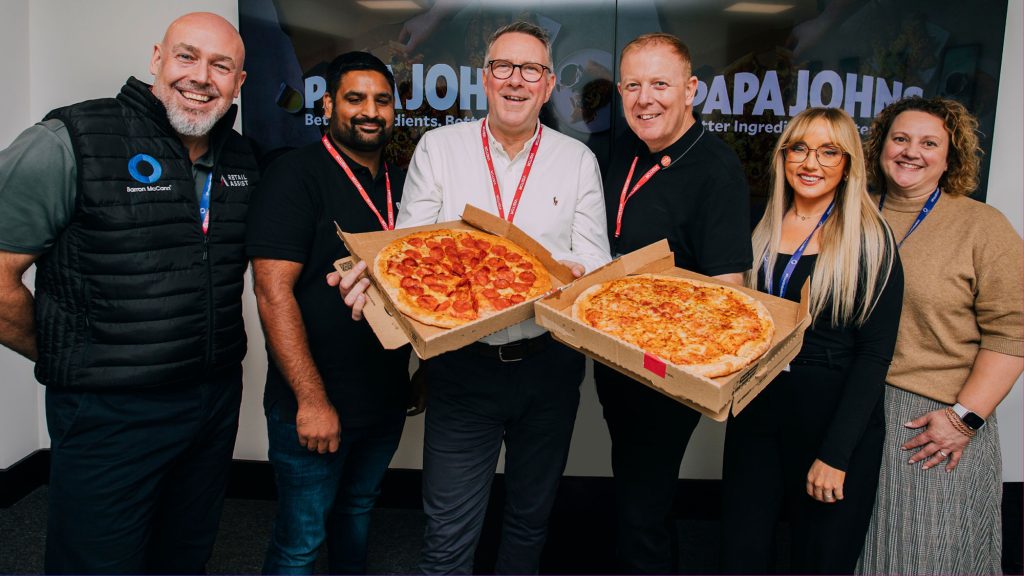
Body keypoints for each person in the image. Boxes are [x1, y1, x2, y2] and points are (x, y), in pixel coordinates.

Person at [333, 21, 611, 574]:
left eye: (530, 69)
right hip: (463, 369)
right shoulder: (440, 148)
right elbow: (408, 249)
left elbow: (597, 261)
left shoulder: (577, 159)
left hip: (549, 367)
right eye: (503, 67)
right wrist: (375, 281)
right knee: (447, 530)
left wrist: (561, 270)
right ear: (485, 78)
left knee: (530, 520)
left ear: (548, 84)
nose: (515, 80)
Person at [0, 12, 256, 574]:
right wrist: (69, 354)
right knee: (97, 562)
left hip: (211, 402)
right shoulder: (71, 139)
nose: (201, 77)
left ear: (239, 83)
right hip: (110, 410)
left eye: (221, 66)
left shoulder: (241, 160)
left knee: (184, 555)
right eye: (186, 56)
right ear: (156, 59)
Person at [247, 51, 417, 575]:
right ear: (327, 105)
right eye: (355, 99)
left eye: (382, 101)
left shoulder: (402, 183)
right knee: (300, 543)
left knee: (358, 509)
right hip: (316, 401)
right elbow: (271, 292)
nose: (370, 111)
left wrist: (421, 372)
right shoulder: (294, 175)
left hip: (384, 399)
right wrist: (312, 401)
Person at [719, 107, 903, 574]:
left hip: (832, 423)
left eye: (828, 152)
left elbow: (874, 355)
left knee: (819, 561)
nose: (810, 163)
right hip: (757, 415)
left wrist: (835, 455)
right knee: (741, 554)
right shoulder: (759, 227)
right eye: (798, 148)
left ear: (848, 164)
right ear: (783, 156)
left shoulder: (870, 240)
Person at [595, 33, 751, 574]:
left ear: (692, 90)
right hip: (613, 351)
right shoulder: (623, 148)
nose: (645, 99)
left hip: (668, 365)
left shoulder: (717, 169)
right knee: (637, 492)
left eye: (660, 84)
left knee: (644, 504)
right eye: (633, 86)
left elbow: (728, 292)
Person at [855, 97, 1023, 574]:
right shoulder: (853, 213)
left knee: (928, 558)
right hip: (854, 411)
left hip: (931, 423)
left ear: (951, 158)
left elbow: (1013, 333)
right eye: (900, 139)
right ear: (880, 147)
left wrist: (963, 419)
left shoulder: (982, 226)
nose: (912, 152)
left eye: (929, 144)